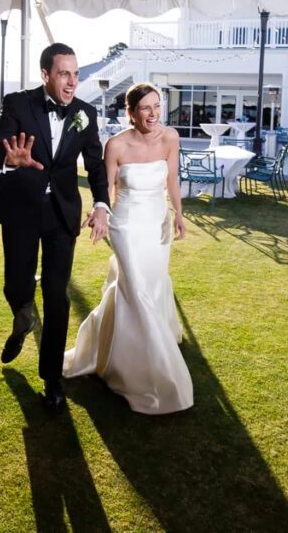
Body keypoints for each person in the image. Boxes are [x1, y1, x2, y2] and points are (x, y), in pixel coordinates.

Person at [0, 42, 110, 413]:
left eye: (75, 74)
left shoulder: (85, 113)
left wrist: (101, 204)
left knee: (57, 296)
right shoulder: (19, 103)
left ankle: (52, 378)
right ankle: (22, 318)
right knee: (16, 285)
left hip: (61, 214)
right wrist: (9, 156)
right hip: (21, 208)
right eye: (64, 74)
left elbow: (96, 166)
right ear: (45, 74)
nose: (72, 82)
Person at [63, 83, 192, 414]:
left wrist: (178, 214)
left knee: (150, 285)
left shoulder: (171, 138)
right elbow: (105, 186)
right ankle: (151, 373)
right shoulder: (116, 144)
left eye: (157, 106)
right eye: (145, 108)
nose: (153, 114)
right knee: (137, 290)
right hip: (126, 225)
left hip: (156, 223)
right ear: (130, 113)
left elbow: (172, 180)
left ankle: (111, 349)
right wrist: (100, 211)